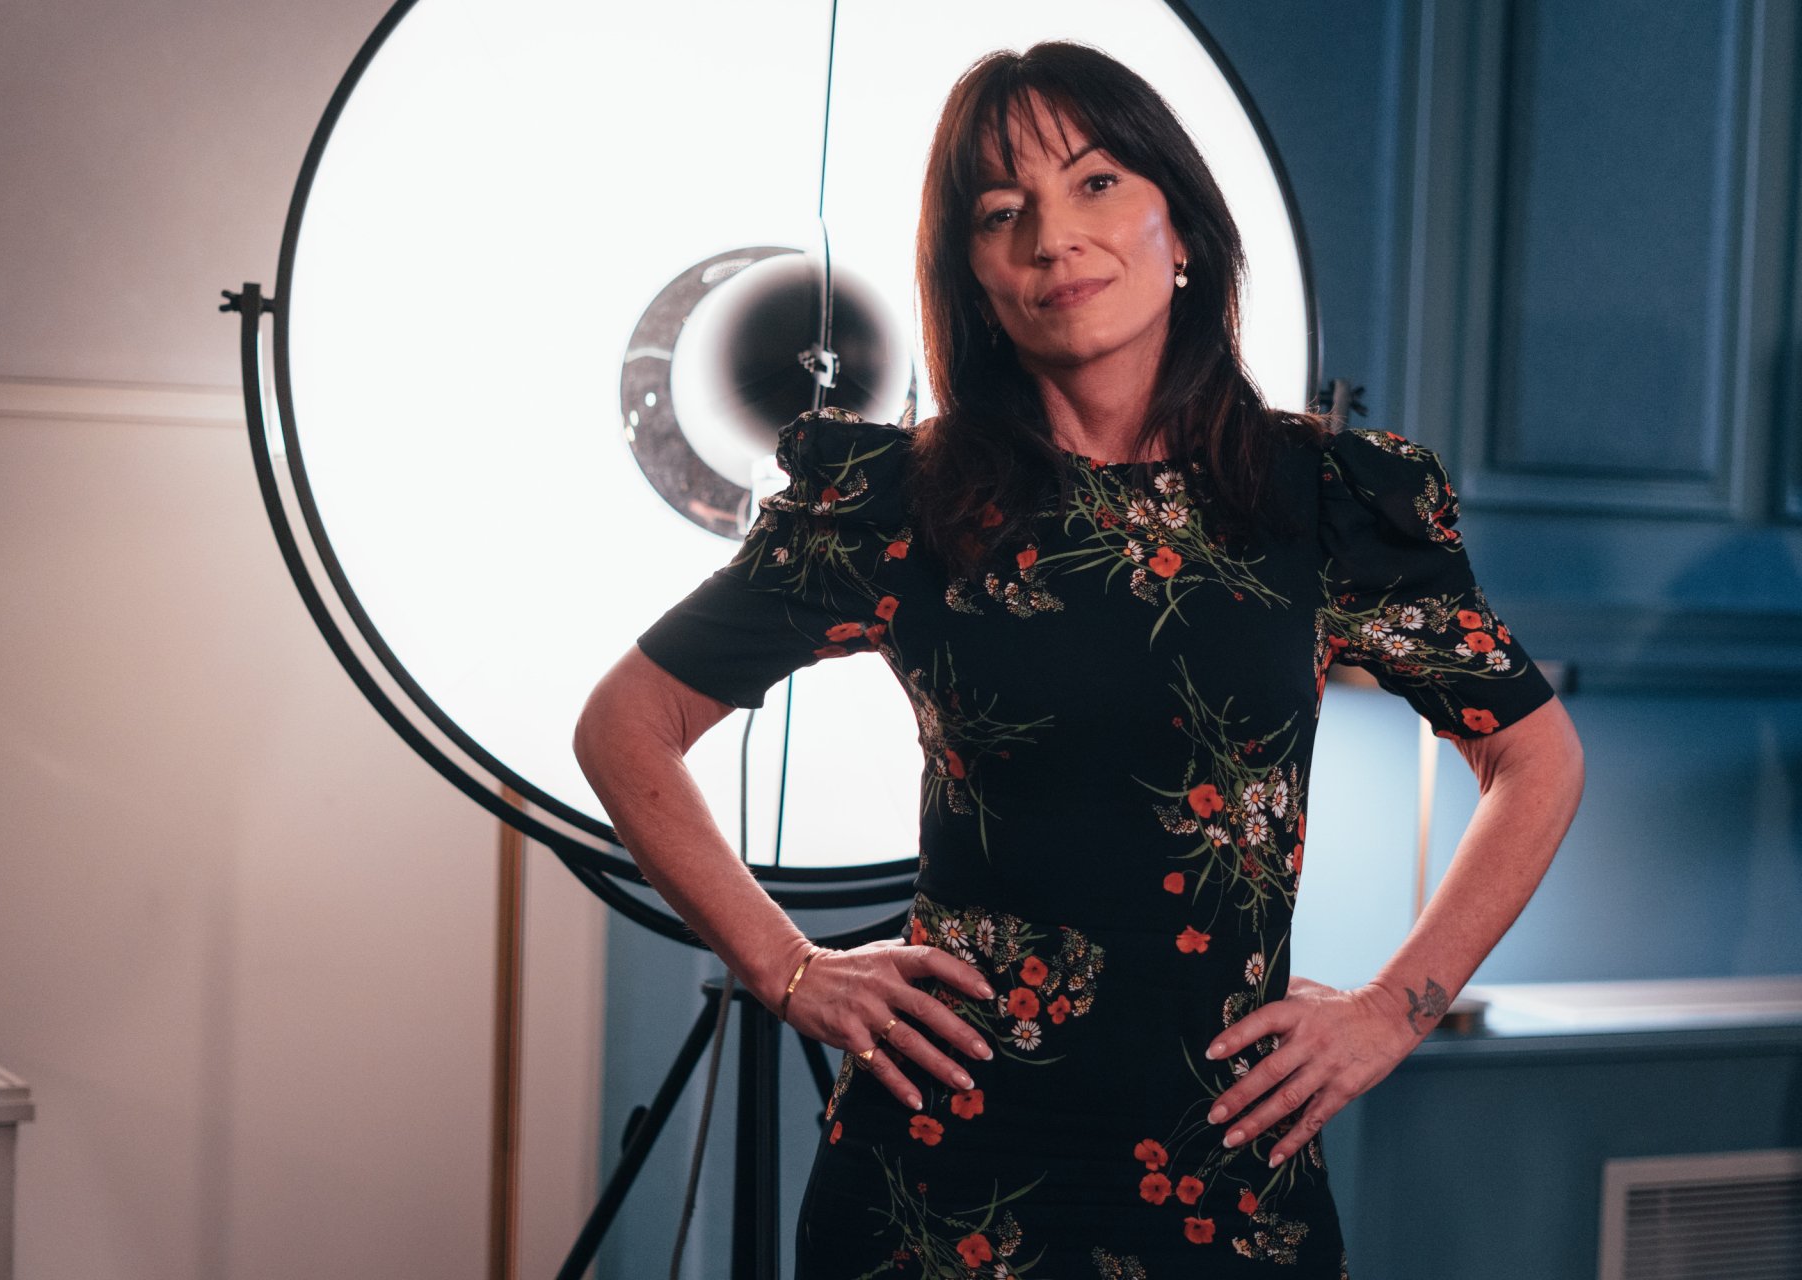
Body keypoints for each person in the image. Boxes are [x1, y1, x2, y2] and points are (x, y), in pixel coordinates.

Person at [574, 40, 1584, 1279]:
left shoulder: (1319, 500)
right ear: (976, 278)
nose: (1055, 238)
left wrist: (1392, 1010)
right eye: (1004, 213)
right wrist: (788, 967)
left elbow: (1533, 756)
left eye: (1097, 183)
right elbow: (626, 722)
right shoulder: (903, 502)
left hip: (1228, 1169)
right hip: (934, 1177)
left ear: (1186, 233)